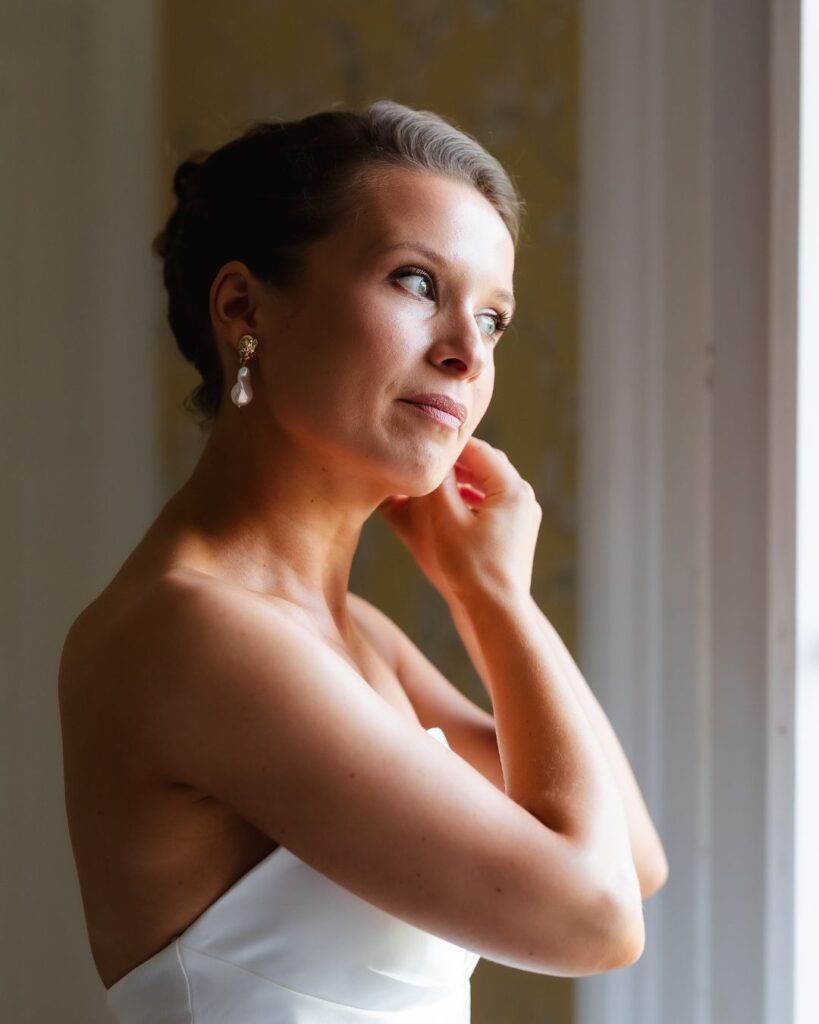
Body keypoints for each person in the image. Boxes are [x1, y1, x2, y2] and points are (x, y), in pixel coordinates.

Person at [58, 99, 667, 1023]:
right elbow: (594, 920)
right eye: (418, 283)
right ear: (242, 307)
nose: (466, 353)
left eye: (494, 319)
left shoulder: (356, 638)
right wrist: (495, 597)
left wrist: (491, 595)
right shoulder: (194, 632)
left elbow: (631, 858)